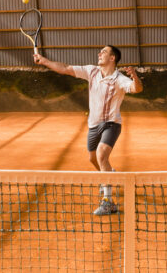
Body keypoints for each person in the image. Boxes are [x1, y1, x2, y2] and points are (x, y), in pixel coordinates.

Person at [33, 45, 142, 215]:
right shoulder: (91, 71)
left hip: (111, 124)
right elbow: (65, 69)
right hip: (93, 125)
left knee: (101, 154)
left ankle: (108, 202)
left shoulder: (119, 79)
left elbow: (137, 89)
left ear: (112, 58)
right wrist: (44, 61)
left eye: (104, 52)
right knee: (93, 158)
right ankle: (109, 175)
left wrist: (135, 77)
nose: (99, 54)